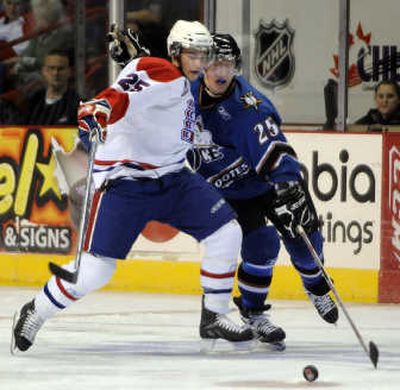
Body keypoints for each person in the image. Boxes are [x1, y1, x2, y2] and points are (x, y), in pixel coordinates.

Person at [11, 21, 254, 354]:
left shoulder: (174, 77)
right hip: (125, 185)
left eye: (204, 54)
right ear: (175, 53)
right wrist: (100, 107)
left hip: (173, 179)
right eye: (192, 54)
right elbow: (121, 95)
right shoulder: (160, 71)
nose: (200, 62)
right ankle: (36, 311)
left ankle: (214, 314)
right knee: (95, 270)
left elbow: (144, 87)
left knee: (226, 232)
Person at [188, 34, 339, 348]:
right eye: (214, 62)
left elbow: (273, 146)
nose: (220, 70)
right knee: (261, 246)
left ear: (236, 67)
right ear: (201, 66)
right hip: (230, 192)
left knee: (305, 242)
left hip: (270, 182)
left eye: (227, 63)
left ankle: (317, 287)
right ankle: (254, 313)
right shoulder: (181, 97)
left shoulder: (248, 107)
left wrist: (287, 183)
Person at [24, 49, 80, 125]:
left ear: (69, 72)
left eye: (61, 69)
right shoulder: (33, 102)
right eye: (51, 68)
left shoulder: (77, 105)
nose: (55, 73)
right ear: (44, 71)